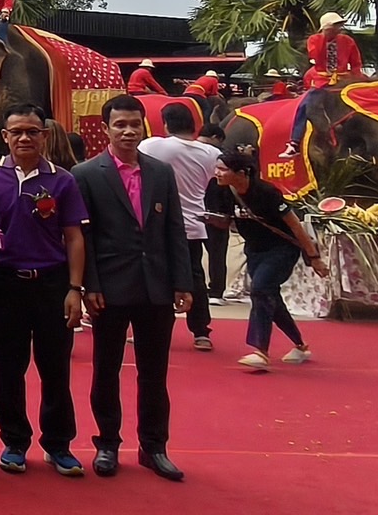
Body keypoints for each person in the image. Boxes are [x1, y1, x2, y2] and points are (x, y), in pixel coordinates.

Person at [73, 94, 193, 481]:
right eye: (120, 125)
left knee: (154, 374)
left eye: (134, 124)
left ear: (144, 127)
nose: (128, 131)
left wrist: (183, 282)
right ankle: (107, 443)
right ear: (105, 129)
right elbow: (83, 237)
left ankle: (154, 447)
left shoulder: (161, 172)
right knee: (106, 371)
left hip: (157, 287)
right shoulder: (86, 174)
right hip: (109, 288)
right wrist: (89, 284)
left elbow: (175, 229)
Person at [0, 102, 88, 478]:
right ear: (4, 136)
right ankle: (14, 442)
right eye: (17, 132)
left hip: (52, 285)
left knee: (55, 369)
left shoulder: (62, 180)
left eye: (32, 132)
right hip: (5, 285)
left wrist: (75, 288)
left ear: (44, 135)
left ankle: (58, 445)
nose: (24, 138)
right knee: (9, 369)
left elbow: (74, 237)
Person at [207, 151, 328, 370]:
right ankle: (300, 345)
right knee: (269, 295)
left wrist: (314, 258)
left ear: (241, 173)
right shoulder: (221, 190)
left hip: (282, 249)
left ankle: (260, 351)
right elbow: (225, 220)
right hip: (254, 250)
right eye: (217, 168)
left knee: (260, 288)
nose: (217, 173)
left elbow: (295, 225)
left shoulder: (266, 192)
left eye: (223, 169)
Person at [138, 103, 220, 351]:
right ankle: (201, 331)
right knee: (194, 276)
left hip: (159, 224)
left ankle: (154, 328)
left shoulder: (152, 146)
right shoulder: (210, 153)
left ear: (165, 124)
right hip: (194, 224)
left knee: (155, 276)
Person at [282, 12, 362, 158]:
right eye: (335, 25)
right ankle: (294, 143)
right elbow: (315, 56)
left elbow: (356, 63)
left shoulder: (348, 41)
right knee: (304, 106)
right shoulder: (314, 40)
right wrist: (324, 37)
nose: (338, 28)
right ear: (326, 27)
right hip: (322, 83)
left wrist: (356, 80)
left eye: (339, 25)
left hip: (343, 82)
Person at [196, 123, 231, 303]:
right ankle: (216, 291)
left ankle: (194, 288)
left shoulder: (185, 152)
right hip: (216, 210)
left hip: (191, 210)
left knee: (191, 254)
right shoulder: (221, 155)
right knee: (217, 254)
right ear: (216, 137)